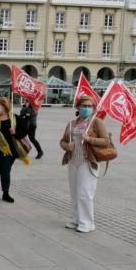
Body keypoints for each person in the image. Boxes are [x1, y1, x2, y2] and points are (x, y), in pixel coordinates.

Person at [59, 95, 109, 233]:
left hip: (88, 161)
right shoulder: (72, 124)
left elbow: (106, 141)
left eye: (89, 106)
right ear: (78, 107)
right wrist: (66, 146)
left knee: (85, 193)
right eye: (84, 106)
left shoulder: (96, 122)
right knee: (74, 192)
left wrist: (90, 139)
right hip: (73, 161)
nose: (86, 108)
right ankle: (76, 219)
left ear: (93, 108)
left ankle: (87, 222)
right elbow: (62, 140)